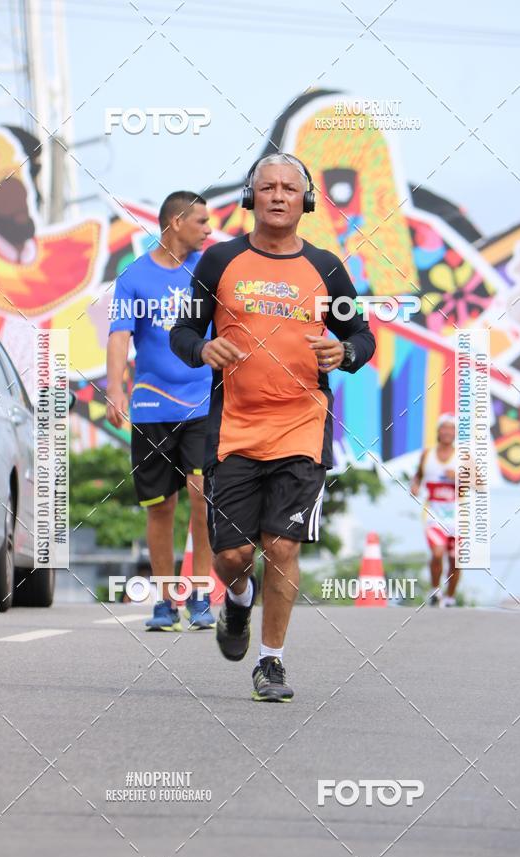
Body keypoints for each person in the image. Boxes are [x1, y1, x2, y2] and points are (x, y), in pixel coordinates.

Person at [170, 153, 376, 701]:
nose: (279, 196)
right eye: (268, 188)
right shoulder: (219, 262)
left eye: (290, 188)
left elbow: (364, 338)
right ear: (251, 197)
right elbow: (182, 332)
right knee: (234, 556)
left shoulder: (328, 268)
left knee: (282, 546)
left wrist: (345, 350)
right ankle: (237, 603)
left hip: (301, 428)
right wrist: (200, 347)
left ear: (306, 200)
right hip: (234, 428)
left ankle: (271, 663)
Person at [106, 191, 215, 632]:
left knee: (203, 498)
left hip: (203, 401)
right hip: (152, 405)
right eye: (202, 222)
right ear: (175, 223)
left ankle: (202, 596)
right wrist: (115, 388)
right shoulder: (134, 277)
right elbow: (119, 337)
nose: (209, 230)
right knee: (161, 506)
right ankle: (167, 601)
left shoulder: (207, 272)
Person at [411, 414, 459, 607]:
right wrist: (414, 486)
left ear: (455, 432)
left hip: (458, 515)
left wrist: (459, 477)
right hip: (434, 513)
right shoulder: (427, 455)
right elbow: (417, 477)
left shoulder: (463, 457)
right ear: (439, 431)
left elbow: (480, 483)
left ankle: (450, 598)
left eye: (451, 428)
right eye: (444, 428)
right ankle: (434, 591)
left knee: (456, 559)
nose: (447, 432)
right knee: (438, 553)